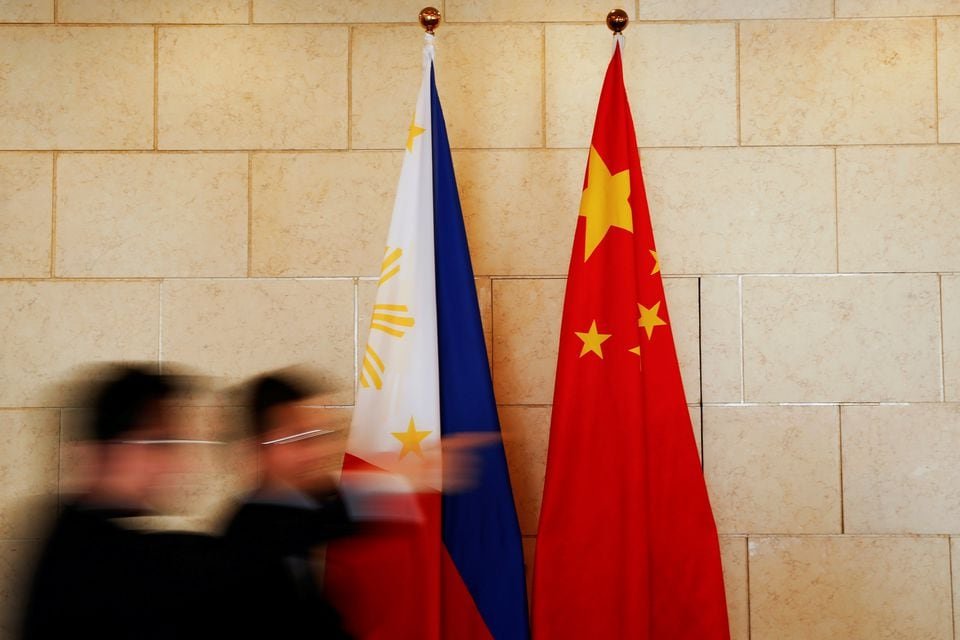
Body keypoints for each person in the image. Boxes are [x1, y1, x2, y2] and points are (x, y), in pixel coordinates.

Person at [19, 365, 225, 640]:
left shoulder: (79, 533)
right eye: (159, 442)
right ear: (107, 448)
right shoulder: (104, 559)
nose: (177, 462)